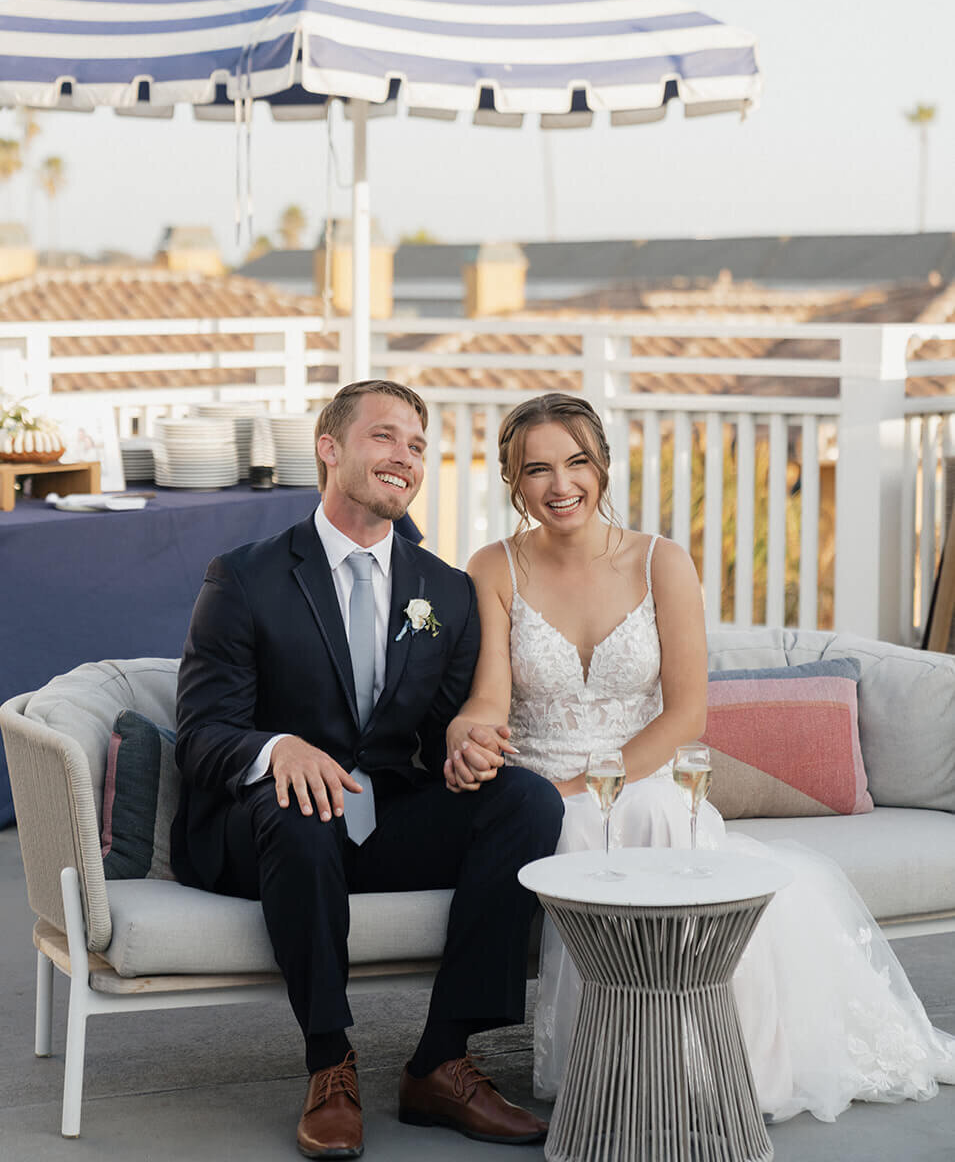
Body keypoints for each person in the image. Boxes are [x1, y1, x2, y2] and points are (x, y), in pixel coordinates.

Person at [446, 391, 955, 1123]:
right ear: (511, 480)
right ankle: (613, 1064)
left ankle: (695, 1058)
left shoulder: (661, 562)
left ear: (602, 468)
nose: (560, 486)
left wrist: (591, 781)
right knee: (571, 829)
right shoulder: (493, 566)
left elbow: (685, 711)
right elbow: (490, 698)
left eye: (577, 462)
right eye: (537, 470)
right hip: (536, 781)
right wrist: (473, 734)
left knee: (652, 814)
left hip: (640, 769)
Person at [171, 380, 563, 1159]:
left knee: (525, 800)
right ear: (330, 448)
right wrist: (275, 749)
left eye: (416, 446)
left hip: (382, 818)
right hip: (267, 829)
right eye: (384, 437)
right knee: (301, 806)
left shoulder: (443, 590)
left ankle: (442, 1061)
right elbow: (201, 734)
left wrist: (465, 747)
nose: (404, 458)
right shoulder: (244, 577)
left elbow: (448, 722)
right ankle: (329, 1065)